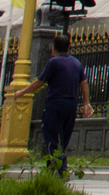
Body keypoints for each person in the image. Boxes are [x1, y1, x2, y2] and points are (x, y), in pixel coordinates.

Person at [9, 32, 91, 169]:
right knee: (62, 140)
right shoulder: (76, 63)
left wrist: (21, 92)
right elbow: (84, 83)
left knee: (52, 140)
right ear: (68, 47)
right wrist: (86, 103)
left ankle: (61, 171)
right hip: (71, 105)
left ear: (53, 48)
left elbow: (39, 82)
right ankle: (50, 171)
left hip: (55, 105)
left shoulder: (53, 62)